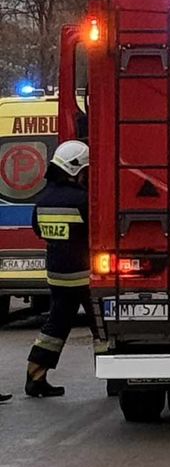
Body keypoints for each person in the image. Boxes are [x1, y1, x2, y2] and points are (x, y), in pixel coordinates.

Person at [24, 140, 95, 398]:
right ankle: (117, 383)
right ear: (76, 169)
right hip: (85, 276)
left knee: (54, 328)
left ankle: (35, 378)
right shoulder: (84, 200)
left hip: (57, 276)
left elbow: (38, 230)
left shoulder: (43, 199)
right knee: (102, 328)